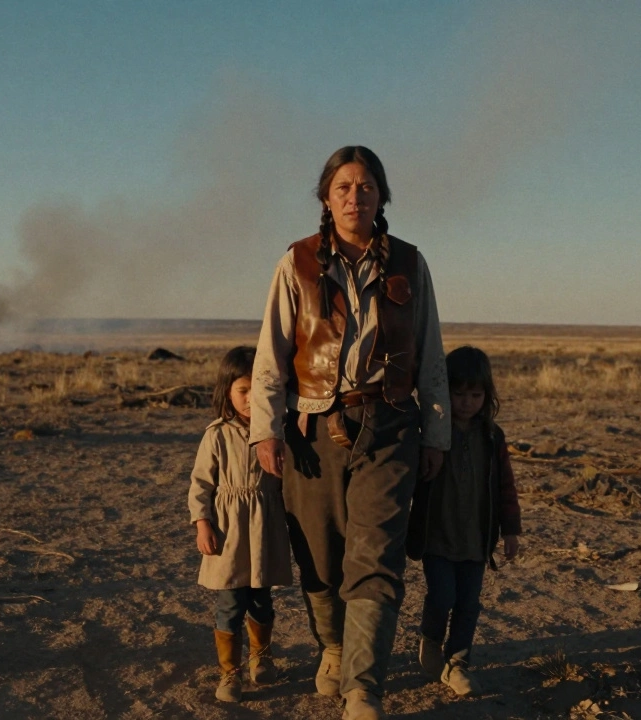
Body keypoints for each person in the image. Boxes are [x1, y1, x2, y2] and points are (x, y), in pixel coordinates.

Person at [250, 146, 450, 720]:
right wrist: (266, 430)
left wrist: (436, 434)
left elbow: (431, 352)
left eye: (366, 187)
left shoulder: (410, 264)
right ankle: (334, 648)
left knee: (378, 555)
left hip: (389, 424)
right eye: (343, 187)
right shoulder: (297, 261)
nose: (355, 197)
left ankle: (364, 688)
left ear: (381, 197)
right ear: (325, 198)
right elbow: (272, 353)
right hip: (312, 427)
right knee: (320, 555)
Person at [405, 346, 522, 697]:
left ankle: (458, 664)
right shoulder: (429, 434)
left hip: (476, 538)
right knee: (442, 596)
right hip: (436, 536)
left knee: (469, 603)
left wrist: (511, 530)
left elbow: (505, 485)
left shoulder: (491, 436)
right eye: (459, 394)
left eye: (475, 394)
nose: (467, 402)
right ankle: (430, 638)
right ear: (445, 392)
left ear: (487, 395)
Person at [188, 346, 292, 703]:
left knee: (262, 599)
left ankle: (260, 658)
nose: (250, 399)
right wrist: (202, 523)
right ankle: (229, 672)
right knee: (231, 602)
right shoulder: (216, 434)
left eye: (258, 390)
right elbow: (201, 483)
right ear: (227, 391)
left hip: (265, 529)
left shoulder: (279, 433)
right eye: (243, 390)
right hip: (229, 531)